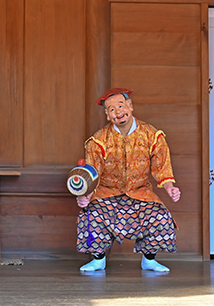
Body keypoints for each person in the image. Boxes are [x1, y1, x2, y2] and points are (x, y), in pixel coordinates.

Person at [76, 88, 181, 272]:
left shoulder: (151, 135)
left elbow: (161, 166)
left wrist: (169, 187)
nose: (118, 112)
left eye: (121, 106)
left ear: (130, 106)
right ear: (107, 115)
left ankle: (149, 258)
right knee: (90, 215)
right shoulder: (98, 140)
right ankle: (98, 258)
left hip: (141, 193)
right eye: (112, 109)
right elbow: (93, 172)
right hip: (107, 193)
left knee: (160, 217)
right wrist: (86, 194)